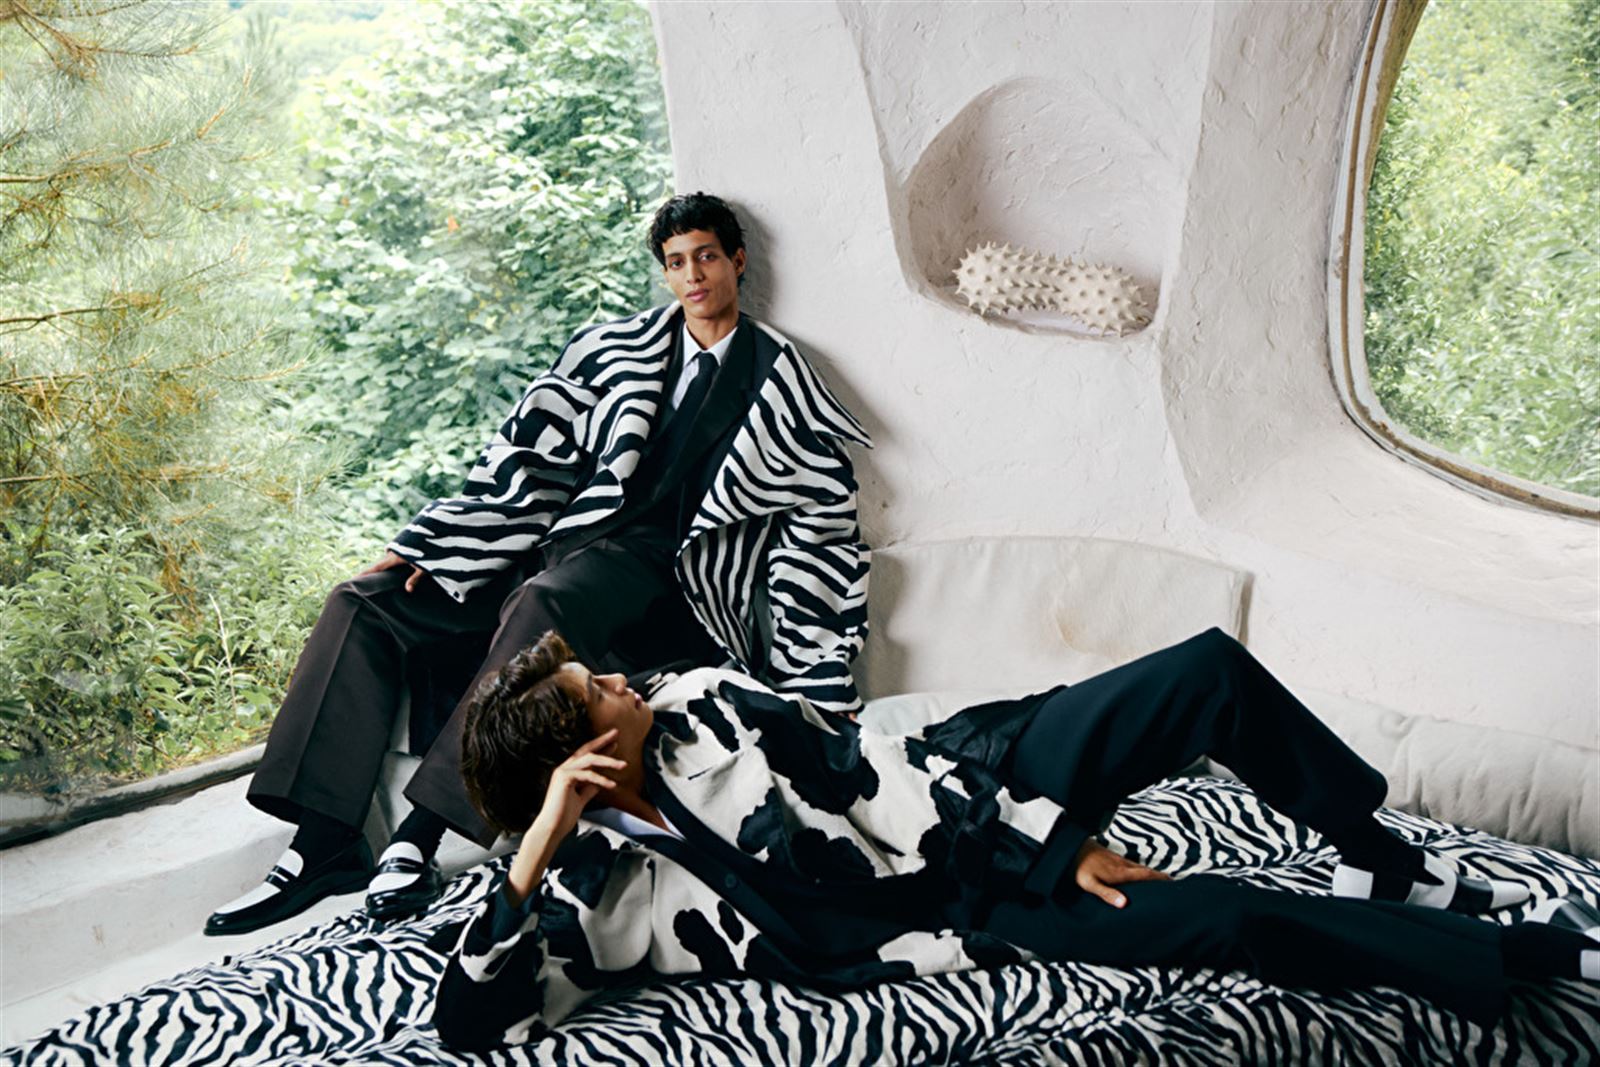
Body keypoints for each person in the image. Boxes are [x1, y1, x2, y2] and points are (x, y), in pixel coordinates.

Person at [204, 193, 873, 936]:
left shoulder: (779, 381)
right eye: (677, 262)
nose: (693, 275)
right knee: (366, 600)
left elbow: (821, 534)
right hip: (556, 549)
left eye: (707, 257)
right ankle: (324, 841)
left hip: (664, 586)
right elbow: (526, 453)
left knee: (545, 603)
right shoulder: (615, 350)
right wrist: (434, 542)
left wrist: (822, 680)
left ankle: (420, 835)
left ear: (737, 261)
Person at [431, 627, 1600, 1050]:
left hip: (972, 788)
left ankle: (1379, 851)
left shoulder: (702, 700)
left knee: (1203, 672)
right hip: (960, 910)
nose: (624, 678)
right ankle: (1525, 954)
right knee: (1227, 916)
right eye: (599, 692)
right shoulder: (588, 887)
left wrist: (1049, 841)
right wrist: (533, 850)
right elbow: (472, 1022)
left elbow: (877, 774)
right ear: (576, 759)